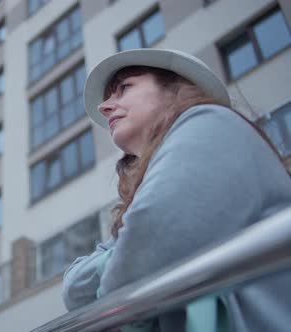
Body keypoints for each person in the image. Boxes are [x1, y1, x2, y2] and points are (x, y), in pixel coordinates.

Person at [61, 48, 291, 331]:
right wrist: (123, 257)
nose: (104, 106)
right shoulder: (155, 183)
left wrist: (122, 260)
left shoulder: (210, 122)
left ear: (174, 90)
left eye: (123, 88)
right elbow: (72, 288)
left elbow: (146, 243)